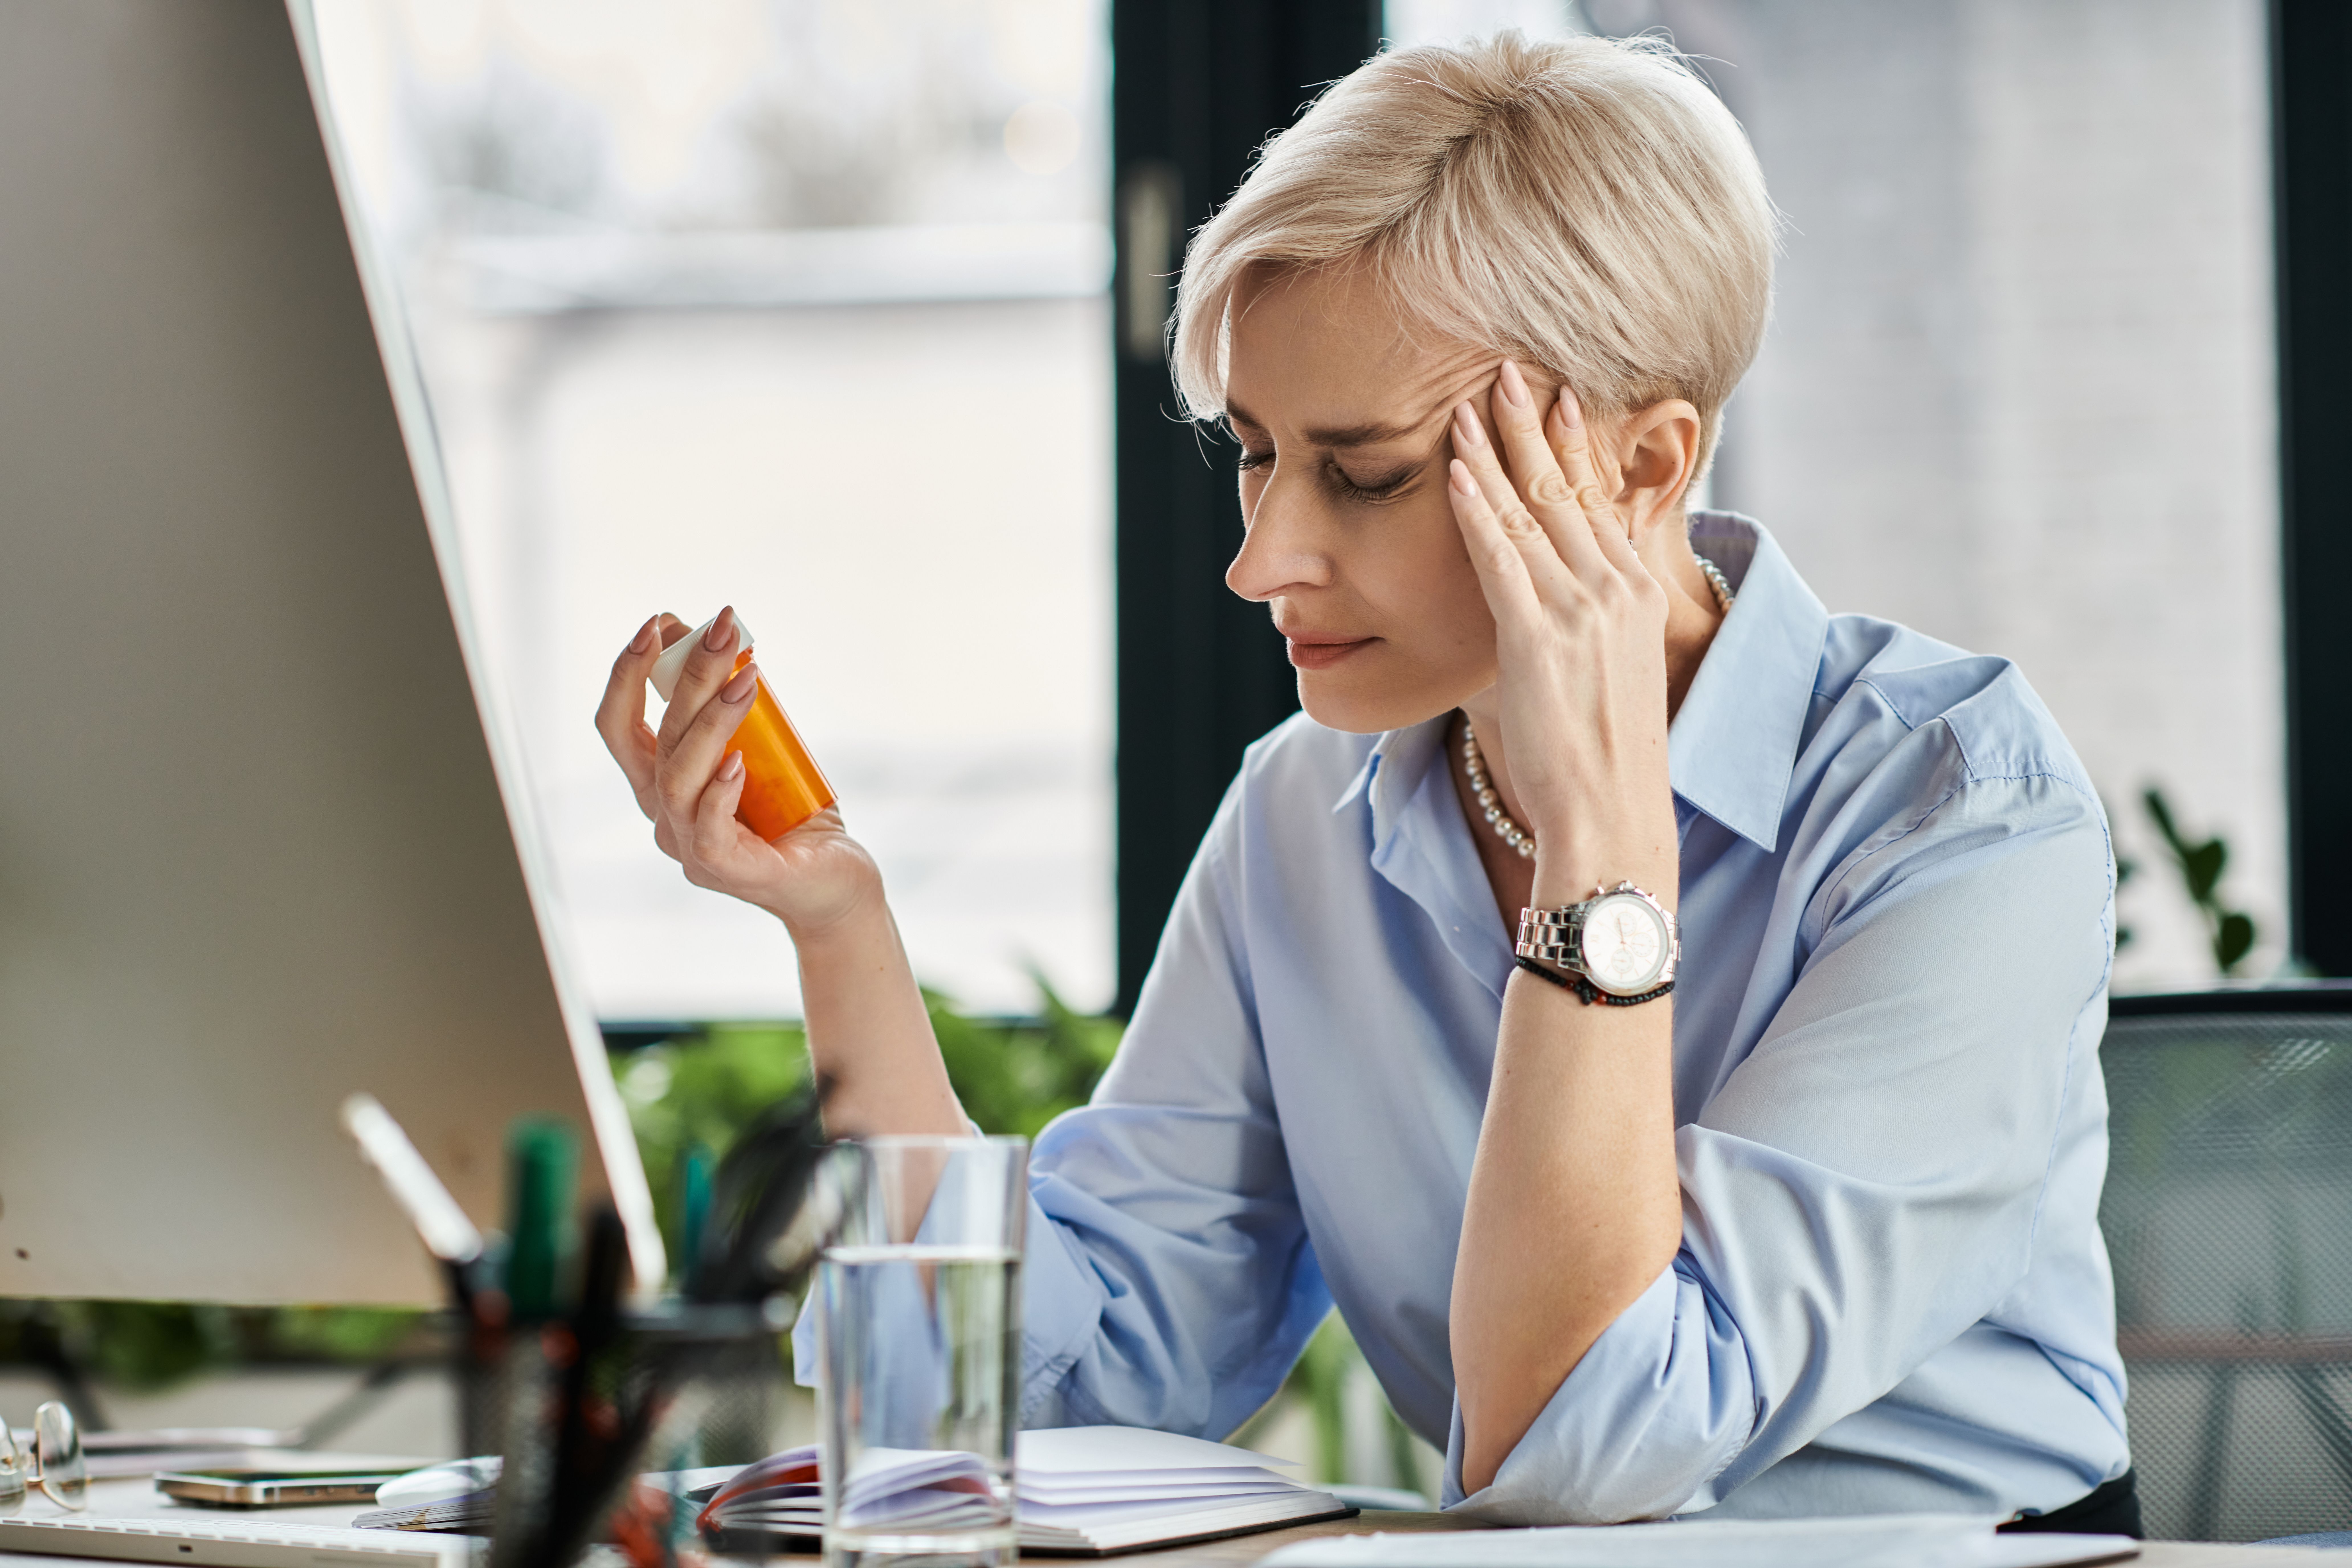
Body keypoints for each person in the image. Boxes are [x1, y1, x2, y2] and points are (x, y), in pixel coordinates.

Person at [595, 31, 2133, 1533]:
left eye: (1368, 473)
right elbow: (1054, 1395)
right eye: (1257, 453)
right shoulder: (1302, 813)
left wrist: (1603, 848)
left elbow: (1593, 1448)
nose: (1261, 560)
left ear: (1643, 468)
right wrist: (841, 928)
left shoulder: (1961, 814)